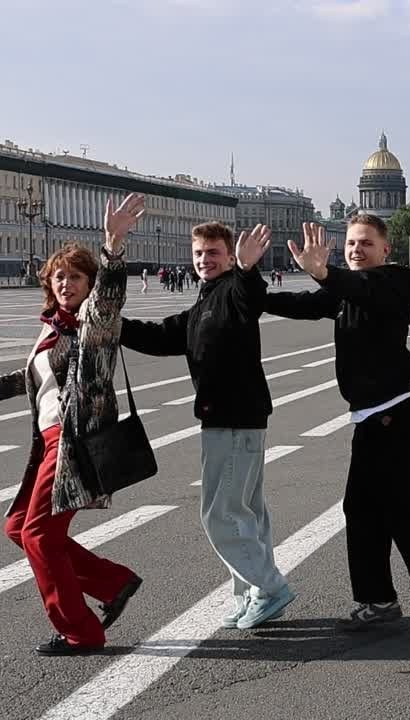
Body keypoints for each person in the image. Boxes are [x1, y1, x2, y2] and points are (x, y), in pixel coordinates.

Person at [264, 216, 410, 638]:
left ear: (385, 250)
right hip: (369, 417)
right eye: (351, 244)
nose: (356, 249)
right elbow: (302, 305)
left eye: (366, 243)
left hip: (393, 413)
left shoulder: (396, 283)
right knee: (359, 510)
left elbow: (362, 288)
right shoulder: (345, 291)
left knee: (400, 510)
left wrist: (324, 272)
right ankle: (377, 600)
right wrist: (247, 283)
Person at [120, 222, 295, 631]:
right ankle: (248, 593)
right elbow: (164, 336)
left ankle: (268, 587)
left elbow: (250, 297)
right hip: (230, 417)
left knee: (221, 515)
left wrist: (250, 271)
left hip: (234, 418)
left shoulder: (233, 292)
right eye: (199, 253)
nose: (204, 260)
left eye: (213, 252)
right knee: (246, 512)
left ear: (230, 256)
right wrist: (117, 325)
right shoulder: (206, 299)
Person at [1, 193, 147, 656]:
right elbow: (33, 380)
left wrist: (113, 243)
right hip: (45, 444)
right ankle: (112, 581)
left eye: (76, 277)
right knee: (18, 527)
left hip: (71, 442)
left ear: (90, 283)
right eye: (59, 276)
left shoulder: (93, 325)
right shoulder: (52, 327)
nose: (66, 283)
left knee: (40, 535)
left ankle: (80, 631)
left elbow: (109, 300)